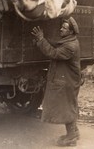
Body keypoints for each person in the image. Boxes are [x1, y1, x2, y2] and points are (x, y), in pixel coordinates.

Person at [31, 17, 81, 147]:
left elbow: (53, 53)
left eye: (64, 28)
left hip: (68, 81)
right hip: (70, 79)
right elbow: (55, 44)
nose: (61, 29)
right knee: (70, 104)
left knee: (66, 106)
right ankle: (74, 132)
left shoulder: (70, 46)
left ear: (70, 32)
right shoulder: (70, 41)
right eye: (62, 27)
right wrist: (42, 40)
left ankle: (71, 137)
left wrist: (41, 39)